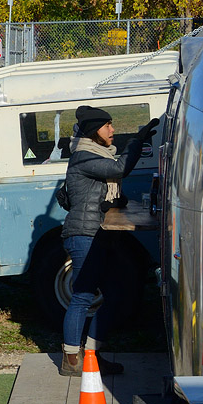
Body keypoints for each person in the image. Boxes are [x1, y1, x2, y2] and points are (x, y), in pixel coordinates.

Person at [59, 105, 159, 376]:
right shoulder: (83, 156)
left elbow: (104, 191)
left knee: (114, 295)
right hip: (84, 234)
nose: (112, 130)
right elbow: (121, 167)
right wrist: (136, 142)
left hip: (100, 234)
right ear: (94, 131)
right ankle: (71, 360)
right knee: (82, 296)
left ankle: (91, 355)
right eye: (107, 126)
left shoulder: (97, 154)